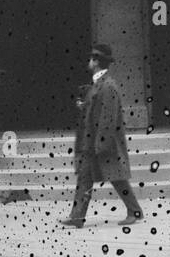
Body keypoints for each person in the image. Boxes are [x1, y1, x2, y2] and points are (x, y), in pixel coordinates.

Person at [60, 43, 143, 228]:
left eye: (91, 59)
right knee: (84, 178)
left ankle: (134, 211)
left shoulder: (108, 86)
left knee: (117, 177)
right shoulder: (98, 84)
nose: (89, 62)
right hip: (91, 142)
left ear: (96, 62)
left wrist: (101, 144)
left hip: (103, 143)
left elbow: (108, 118)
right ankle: (77, 216)